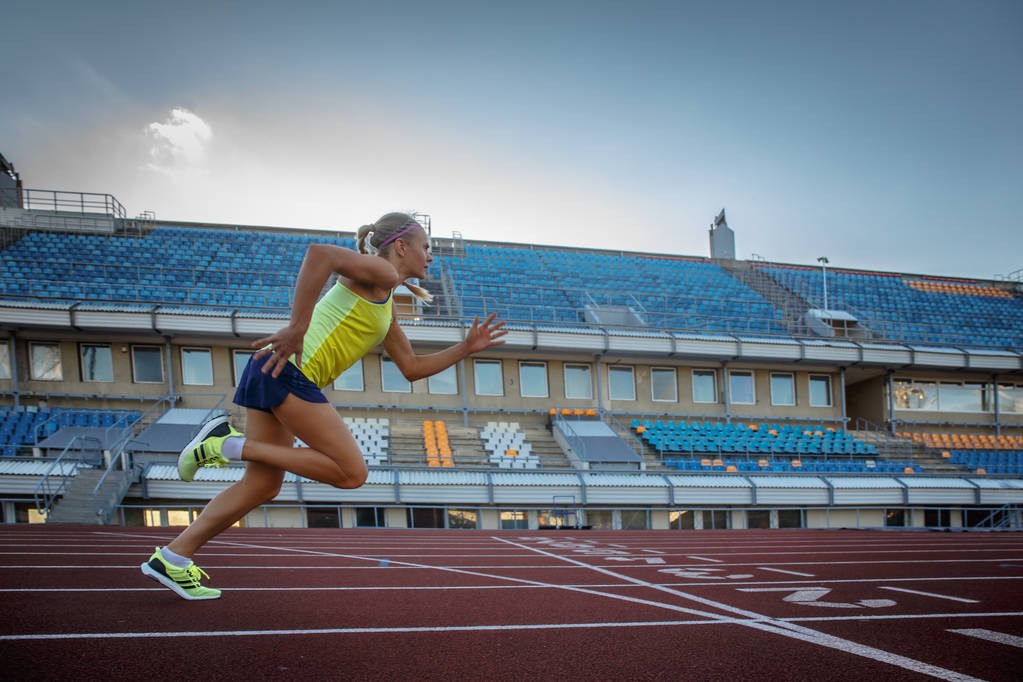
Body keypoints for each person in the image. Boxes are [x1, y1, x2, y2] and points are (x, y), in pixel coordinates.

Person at [140, 212, 507, 599]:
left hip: (271, 368)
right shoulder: (381, 273)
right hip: (288, 371)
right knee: (351, 473)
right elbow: (319, 255)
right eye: (427, 247)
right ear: (401, 247)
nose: (431, 256)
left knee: (262, 486)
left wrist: (466, 348)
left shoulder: (385, 304)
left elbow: (413, 368)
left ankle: (173, 558)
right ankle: (224, 444)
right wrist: (298, 327)